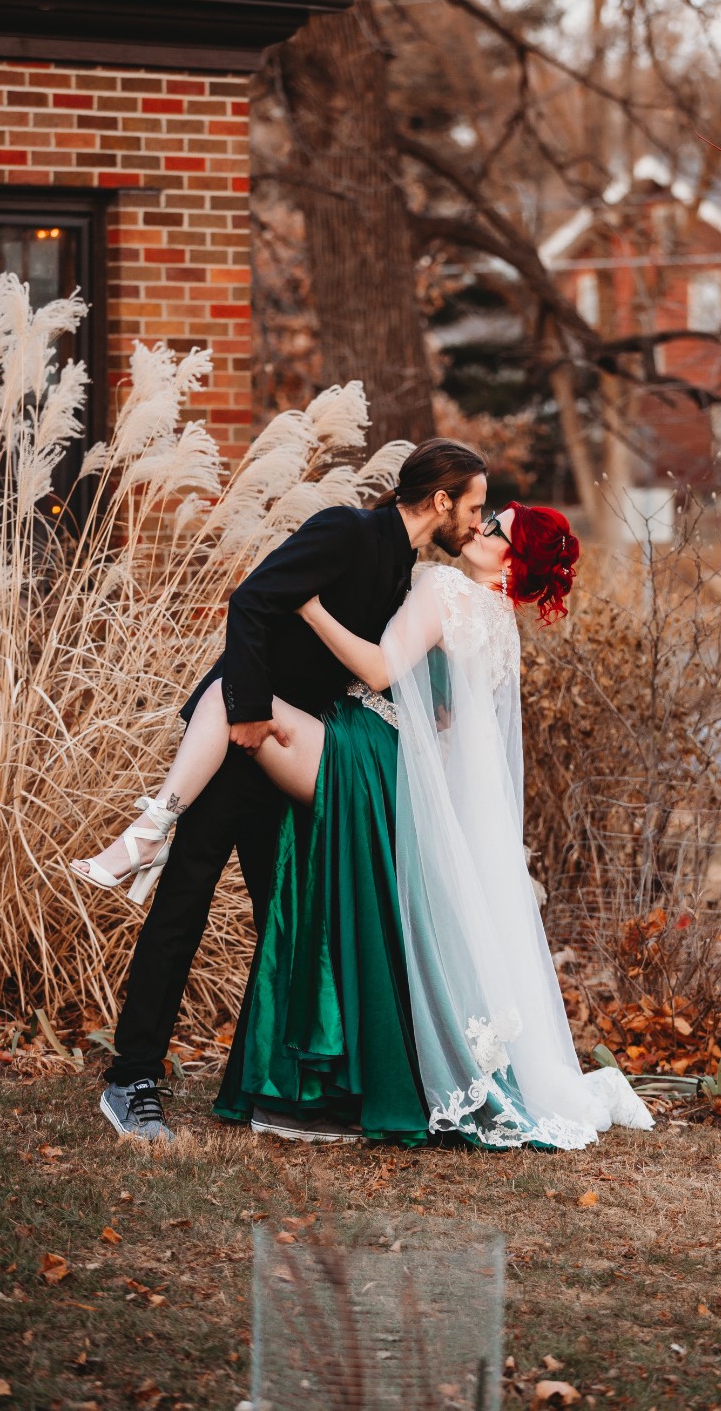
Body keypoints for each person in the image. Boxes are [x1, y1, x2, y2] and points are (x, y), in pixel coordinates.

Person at [72, 438, 489, 1144]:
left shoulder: (405, 569)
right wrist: (247, 713)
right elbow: (254, 602)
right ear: (441, 500)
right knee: (184, 905)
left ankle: (296, 1086)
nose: (479, 523)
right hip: (242, 740)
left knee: (289, 923)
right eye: (474, 508)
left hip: (298, 752)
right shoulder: (347, 530)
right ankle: (131, 1080)